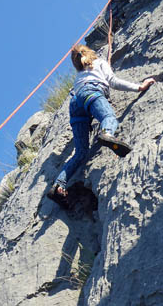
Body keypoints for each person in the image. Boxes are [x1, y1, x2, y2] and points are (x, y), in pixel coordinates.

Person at [47, 44, 155, 208]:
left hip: (75, 102)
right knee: (109, 117)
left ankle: (58, 185)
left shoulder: (78, 76)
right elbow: (113, 81)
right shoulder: (100, 62)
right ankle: (107, 134)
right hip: (91, 92)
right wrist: (139, 87)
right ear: (90, 53)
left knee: (81, 153)